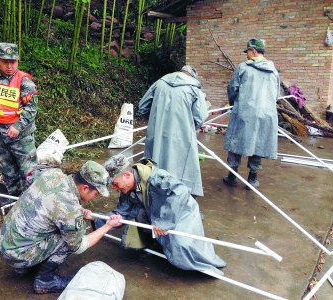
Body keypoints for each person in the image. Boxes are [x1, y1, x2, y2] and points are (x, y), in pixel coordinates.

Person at [0, 131, 122, 294]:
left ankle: (26, 266)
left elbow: (52, 206)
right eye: (96, 193)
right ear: (84, 188)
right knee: (71, 239)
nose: (94, 197)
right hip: (17, 255)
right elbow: (79, 246)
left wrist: (77, 212)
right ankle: (45, 280)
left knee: (64, 228)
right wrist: (107, 226)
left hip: (5, 243)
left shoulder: (53, 175)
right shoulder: (70, 210)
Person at [90, 154, 226, 276]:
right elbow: (121, 213)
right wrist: (96, 217)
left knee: (182, 246)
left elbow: (181, 192)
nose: (115, 188)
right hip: (156, 212)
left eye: (115, 183)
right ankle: (156, 243)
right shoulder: (126, 190)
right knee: (138, 213)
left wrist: (164, 222)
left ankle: (202, 262)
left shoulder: (157, 177)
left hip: (182, 211)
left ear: (127, 175)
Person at [0, 43, 38, 207]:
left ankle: (35, 201)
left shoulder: (24, 81)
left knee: (28, 171)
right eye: (5, 61)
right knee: (7, 169)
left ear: (18, 61)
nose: (10, 65)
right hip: (0, 132)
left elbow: (32, 109)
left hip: (22, 136)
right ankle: (14, 198)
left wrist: (17, 126)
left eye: (13, 61)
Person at [138, 65, 209, 198]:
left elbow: (143, 107)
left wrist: (155, 122)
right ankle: (180, 201)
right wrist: (187, 128)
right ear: (192, 76)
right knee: (182, 167)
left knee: (154, 164)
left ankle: (154, 196)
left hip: (156, 134)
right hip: (182, 137)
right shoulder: (193, 89)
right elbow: (200, 117)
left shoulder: (159, 84)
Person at [223, 38, 280, 189]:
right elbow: (276, 96)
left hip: (245, 112)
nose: (246, 55)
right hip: (266, 115)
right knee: (258, 143)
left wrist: (234, 104)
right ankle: (252, 179)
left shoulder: (243, 68)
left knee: (237, 142)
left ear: (253, 51)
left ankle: (232, 176)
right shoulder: (273, 71)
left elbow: (232, 89)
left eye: (247, 52)